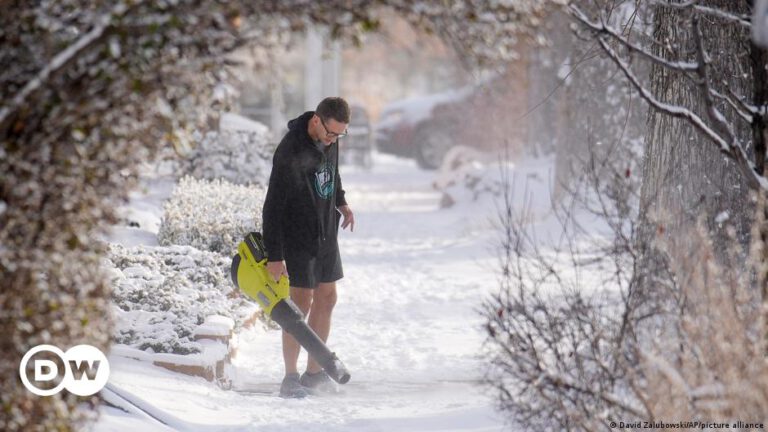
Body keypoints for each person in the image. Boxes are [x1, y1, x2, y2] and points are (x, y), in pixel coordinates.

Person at [261, 97, 355, 398]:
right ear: (316, 120)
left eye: (340, 135)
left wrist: (341, 201)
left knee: (327, 299)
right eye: (331, 133)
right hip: (298, 238)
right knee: (299, 306)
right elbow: (272, 206)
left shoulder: (331, 139)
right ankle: (289, 378)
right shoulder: (290, 150)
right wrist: (274, 256)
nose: (334, 139)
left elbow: (333, 171)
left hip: (327, 233)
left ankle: (314, 373)